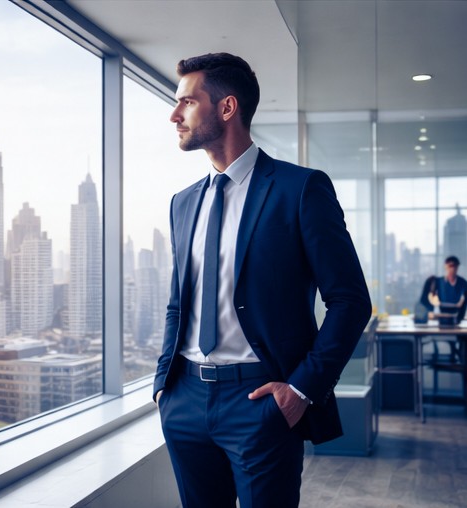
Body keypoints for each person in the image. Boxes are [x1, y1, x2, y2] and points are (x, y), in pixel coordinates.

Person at [153, 52, 372, 508]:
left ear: (227, 108)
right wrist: (163, 387)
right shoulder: (182, 203)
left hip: (258, 401)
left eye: (188, 103)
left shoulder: (300, 189)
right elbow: (179, 303)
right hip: (185, 401)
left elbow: (350, 300)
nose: (174, 115)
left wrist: (300, 390)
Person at [420, 256, 467, 323]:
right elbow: (431, 297)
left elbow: (464, 299)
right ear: (446, 266)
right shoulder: (438, 281)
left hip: (456, 316)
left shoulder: (462, 283)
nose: (452, 269)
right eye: (450, 266)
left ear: (457, 267)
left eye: (454, 266)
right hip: (440, 315)